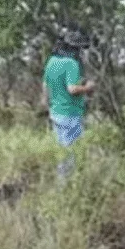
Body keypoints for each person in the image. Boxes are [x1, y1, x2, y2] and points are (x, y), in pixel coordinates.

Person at [42, 29, 95, 181]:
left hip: (56, 112)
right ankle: (68, 187)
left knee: (61, 152)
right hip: (70, 113)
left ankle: (62, 185)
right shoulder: (71, 64)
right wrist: (88, 88)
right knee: (72, 154)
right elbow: (72, 89)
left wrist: (48, 106)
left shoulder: (51, 61)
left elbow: (45, 86)